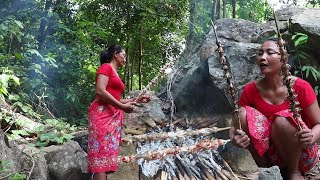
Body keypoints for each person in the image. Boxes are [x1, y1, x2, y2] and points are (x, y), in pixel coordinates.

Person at [229, 38, 320, 180]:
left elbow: (319, 124)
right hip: (268, 155)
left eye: (269, 52)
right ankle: (264, 167)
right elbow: (235, 126)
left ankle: (293, 172)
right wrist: (235, 138)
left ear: (284, 58)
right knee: (241, 113)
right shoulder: (250, 90)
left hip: (300, 153)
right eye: (260, 53)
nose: (262, 58)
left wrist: (311, 137)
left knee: (282, 120)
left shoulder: (301, 87)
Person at [87, 44, 150, 180]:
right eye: (124, 55)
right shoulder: (106, 67)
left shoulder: (115, 72)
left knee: (106, 159)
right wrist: (122, 108)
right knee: (101, 160)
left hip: (112, 118)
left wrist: (137, 100)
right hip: (102, 115)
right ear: (115, 54)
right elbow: (100, 91)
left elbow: (116, 99)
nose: (125, 59)